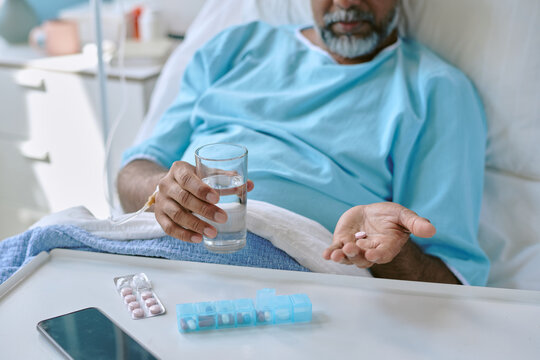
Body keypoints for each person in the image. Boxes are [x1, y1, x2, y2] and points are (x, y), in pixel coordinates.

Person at [117, 0, 489, 286]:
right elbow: (134, 171)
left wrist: (385, 252)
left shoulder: (436, 90)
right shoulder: (235, 46)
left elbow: (452, 282)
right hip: (166, 252)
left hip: (300, 274)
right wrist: (165, 194)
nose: (346, 2)